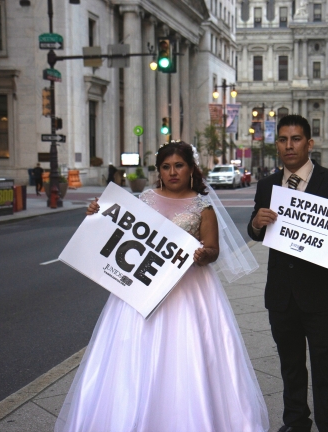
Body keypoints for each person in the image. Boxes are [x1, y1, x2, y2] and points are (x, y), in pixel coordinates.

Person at [56, 141, 268, 432]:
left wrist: (205, 254)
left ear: (191, 169)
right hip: (140, 291)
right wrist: (97, 212)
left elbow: (213, 250)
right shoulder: (144, 198)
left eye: (179, 165)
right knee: (131, 355)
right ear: (159, 171)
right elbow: (115, 230)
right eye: (166, 167)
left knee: (188, 354)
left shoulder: (202, 207)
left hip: (188, 292)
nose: (172, 172)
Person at [247, 115, 328, 432]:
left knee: (326, 361)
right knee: (290, 364)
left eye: (295, 139)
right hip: (282, 294)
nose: (288, 145)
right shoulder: (268, 185)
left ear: (309, 143)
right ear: (277, 145)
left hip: (321, 292)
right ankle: (296, 421)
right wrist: (256, 223)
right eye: (283, 139)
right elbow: (255, 231)